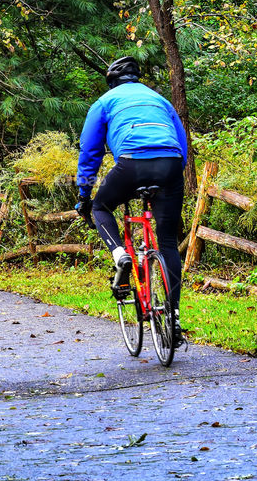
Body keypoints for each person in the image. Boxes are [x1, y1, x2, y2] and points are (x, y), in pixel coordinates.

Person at [74, 56, 187, 347]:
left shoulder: (105, 102)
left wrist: (84, 196)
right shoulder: (160, 100)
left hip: (132, 164)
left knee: (101, 207)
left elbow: (90, 151)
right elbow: (181, 142)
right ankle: (173, 318)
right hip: (171, 165)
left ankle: (120, 255)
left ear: (111, 81)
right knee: (169, 243)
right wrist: (173, 174)